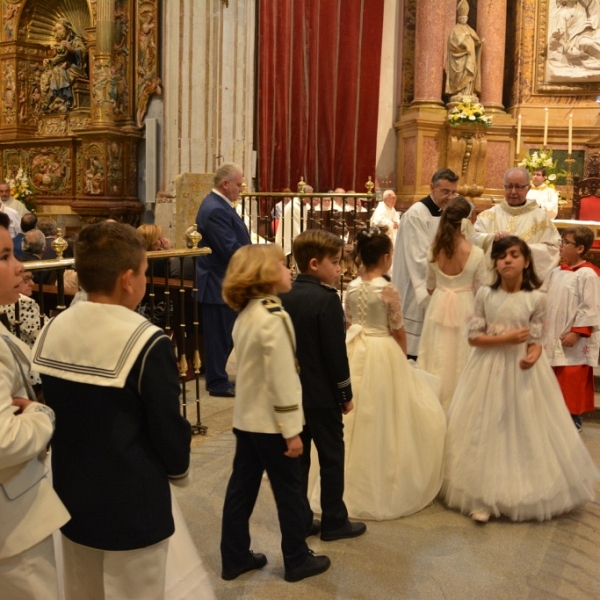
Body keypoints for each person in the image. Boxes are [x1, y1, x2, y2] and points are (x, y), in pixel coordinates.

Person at [32, 221, 193, 599]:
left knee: (81, 589)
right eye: (143, 271)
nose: (144, 279)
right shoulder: (146, 340)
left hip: (71, 493)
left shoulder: (54, 328)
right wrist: (178, 469)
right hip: (133, 502)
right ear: (127, 279)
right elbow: (166, 426)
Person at [441, 236, 599, 523]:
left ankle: (525, 489)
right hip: (487, 369)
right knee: (486, 427)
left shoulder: (537, 298)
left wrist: (534, 355)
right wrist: (507, 338)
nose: (507, 260)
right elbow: (475, 337)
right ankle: (482, 497)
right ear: (495, 264)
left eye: (514, 255)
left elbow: (536, 339)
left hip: (523, 372)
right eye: (502, 256)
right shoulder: (485, 295)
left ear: (527, 262)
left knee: (522, 428)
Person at [220, 244, 331, 583]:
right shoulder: (273, 316)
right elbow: (282, 379)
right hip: (273, 424)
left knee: (241, 489)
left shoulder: (247, 313)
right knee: (289, 490)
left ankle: (234, 556)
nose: (290, 271)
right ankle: (297, 558)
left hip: (246, 420)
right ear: (265, 275)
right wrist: (291, 430)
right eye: (282, 266)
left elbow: (239, 370)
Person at [342, 229, 446, 520]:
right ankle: (383, 474)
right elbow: (398, 329)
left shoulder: (351, 286)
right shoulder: (388, 289)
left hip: (355, 348)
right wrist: (402, 362)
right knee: (385, 411)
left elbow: (350, 322)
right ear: (387, 258)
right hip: (383, 350)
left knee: (354, 412)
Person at [280, 229, 367, 542]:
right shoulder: (327, 299)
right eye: (335, 262)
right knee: (331, 458)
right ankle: (333, 520)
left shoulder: (284, 294)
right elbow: (335, 353)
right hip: (322, 396)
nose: (340, 269)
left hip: (293, 394)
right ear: (314, 264)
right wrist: (344, 392)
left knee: (298, 461)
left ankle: (301, 519)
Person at [0, 212, 69, 599]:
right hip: (13, 521)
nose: (19, 266)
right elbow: (5, 441)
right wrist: (42, 413)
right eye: (5, 257)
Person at [418, 196, 487, 411]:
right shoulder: (476, 253)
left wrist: (444, 286)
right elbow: (482, 289)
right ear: (467, 221)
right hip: (465, 305)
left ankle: (433, 405)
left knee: (436, 354)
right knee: (460, 356)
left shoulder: (433, 250)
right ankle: (460, 407)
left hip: (438, 304)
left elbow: (430, 286)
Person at [195, 162, 251, 397]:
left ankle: (218, 377)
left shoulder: (220, 204)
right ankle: (217, 382)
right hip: (217, 280)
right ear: (225, 184)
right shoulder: (216, 208)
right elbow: (229, 248)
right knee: (219, 334)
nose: (241, 188)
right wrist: (256, 258)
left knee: (227, 332)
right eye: (238, 184)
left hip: (223, 279)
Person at [392, 168, 459, 359]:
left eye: (453, 192)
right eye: (445, 192)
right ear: (432, 187)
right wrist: (447, 276)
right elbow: (419, 258)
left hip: (439, 282)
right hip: (417, 287)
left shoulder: (447, 213)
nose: (450, 197)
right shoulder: (416, 215)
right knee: (416, 351)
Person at [543, 226, 600, 432]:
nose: (561, 246)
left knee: (571, 378)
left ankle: (572, 418)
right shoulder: (556, 272)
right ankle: (551, 417)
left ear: (580, 248)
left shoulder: (588, 274)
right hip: (553, 335)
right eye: (562, 241)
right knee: (552, 377)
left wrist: (577, 332)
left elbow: (590, 306)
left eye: (566, 242)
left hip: (573, 339)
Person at [471, 167, 560, 281]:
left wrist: (522, 250)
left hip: (525, 286)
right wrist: (492, 239)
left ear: (528, 188)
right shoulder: (487, 216)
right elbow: (473, 241)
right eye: (509, 186)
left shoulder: (541, 218)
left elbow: (553, 250)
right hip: (493, 284)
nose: (513, 191)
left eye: (518, 187)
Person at [41, 19, 88, 111]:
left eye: (60, 28)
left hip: (76, 68)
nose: (58, 31)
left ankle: (67, 98)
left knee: (59, 71)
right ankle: (51, 100)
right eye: (56, 29)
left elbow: (83, 52)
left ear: (67, 29)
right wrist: (49, 61)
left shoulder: (76, 39)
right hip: (62, 67)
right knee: (47, 75)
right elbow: (59, 57)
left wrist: (71, 49)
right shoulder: (60, 43)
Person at [445, 0, 482, 98]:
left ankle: (468, 91)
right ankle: (458, 91)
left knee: (469, 72)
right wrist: (463, 44)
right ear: (458, 18)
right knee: (461, 73)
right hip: (460, 57)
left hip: (470, 55)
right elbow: (453, 42)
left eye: (465, 18)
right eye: (461, 18)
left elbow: (476, 41)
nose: (463, 19)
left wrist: (479, 42)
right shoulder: (455, 29)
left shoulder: (470, 29)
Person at [275, 185, 313, 259]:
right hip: (291, 238)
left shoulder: (305, 205)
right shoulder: (293, 206)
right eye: (310, 195)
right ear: (303, 194)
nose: (311, 197)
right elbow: (296, 228)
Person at [370, 189, 400, 275]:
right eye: (392, 198)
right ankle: (387, 273)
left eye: (395, 198)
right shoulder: (381, 207)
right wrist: (391, 223)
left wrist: (396, 223)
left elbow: (397, 219)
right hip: (383, 235)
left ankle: (394, 273)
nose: (394, 200)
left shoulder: (392, 209)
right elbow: (378, 221)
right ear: (385, 199)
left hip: (392, 235)